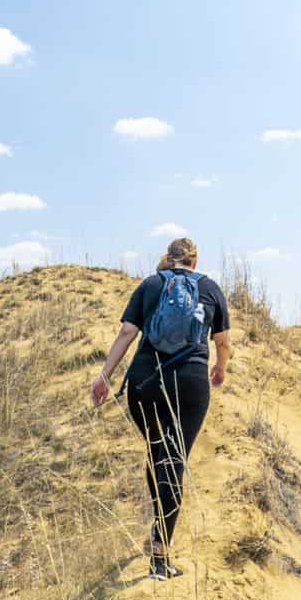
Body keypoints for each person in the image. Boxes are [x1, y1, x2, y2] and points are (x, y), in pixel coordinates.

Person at [90, 237, 231, 580]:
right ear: (194, 263)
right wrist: (220, 368)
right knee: (174, 459)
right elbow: (223, 342)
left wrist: (104, 376)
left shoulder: (151, 284)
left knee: (157, 454)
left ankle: (158, 523)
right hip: (189, 385)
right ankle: (160, 554)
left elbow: (126, 333)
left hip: (144, 383)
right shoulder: (210, 288)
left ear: (168, 259)